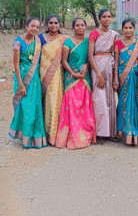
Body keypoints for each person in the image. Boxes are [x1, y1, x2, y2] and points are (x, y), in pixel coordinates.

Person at [55, 18, 96, 149]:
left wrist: (87, 65)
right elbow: (64, 61)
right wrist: (73, 74)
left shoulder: (88, 42)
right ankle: (70, 134)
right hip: (71, 78)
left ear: (85, 27)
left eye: (82, 25)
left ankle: (84, 132)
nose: (79, 27)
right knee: (71, 107)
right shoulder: (68, 42)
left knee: (84, 105)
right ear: (73, 27)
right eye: (77, 25)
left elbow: (91, 57)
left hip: (85, 78)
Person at [9, 18, 47, 148]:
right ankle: (24, 137)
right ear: (26, 26)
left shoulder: (38, 41)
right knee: (24, 107)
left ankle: (34, 138)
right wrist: (20, 84)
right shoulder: (18, 42)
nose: (35, 29)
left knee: (35, 107)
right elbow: (16, 64)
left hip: (34, 78)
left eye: (37, 27)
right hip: (22, 78)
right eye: (32, 26)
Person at [88, 9, 119, 144]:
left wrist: (116, 77)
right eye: (104, 17)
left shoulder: (115, 35)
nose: (107, 19)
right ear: (99, 19)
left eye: (109, 17)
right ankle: (100, 133)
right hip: (97, 67)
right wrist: (98, 74)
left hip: (110, 67)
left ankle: (111, 132)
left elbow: (116, 57)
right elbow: (90, 55)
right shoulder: (94, 34)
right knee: (99, 99)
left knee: (110, 99)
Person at [39, 14, 68, 145]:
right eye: (51, 23)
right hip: (42, 74)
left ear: (59, 24)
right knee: (44, 101)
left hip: (58, 74)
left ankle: (55, 134)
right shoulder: (40, 38)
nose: (53, 25)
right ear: (46, 24)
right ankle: (44, 133)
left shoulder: (65, 39)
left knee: (55, 100)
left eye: (56, 23)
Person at [113, 19, 138, 146]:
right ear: (122, 29)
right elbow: (115, 63)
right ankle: (124, 133)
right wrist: (115, 79)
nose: (128, 30)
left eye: (131, 27)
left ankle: (134, 132)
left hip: (135, 79)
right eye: (125, 28)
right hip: (122, 78)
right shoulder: (118, 44)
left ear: (134, 29)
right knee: (123, 104)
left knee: (136, 105)